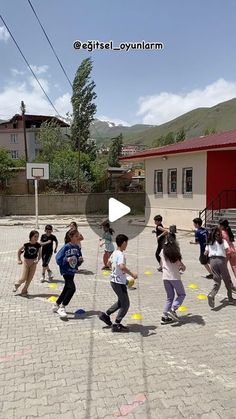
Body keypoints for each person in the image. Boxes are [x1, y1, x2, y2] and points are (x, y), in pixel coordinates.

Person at [99, 234, 137, 332]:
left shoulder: (114, 253)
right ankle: (117, 324)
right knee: (126, 304)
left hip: (113, 281)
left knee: (121, 302)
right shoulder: (120, 254)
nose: (127, 245)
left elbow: (108, 263)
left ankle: (105, 315)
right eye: (126, 243)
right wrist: (132, 274)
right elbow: (122, 266)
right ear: (124, 243)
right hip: (119, 283)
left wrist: (114, 270)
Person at [54, 229, 83, 319]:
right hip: (66, 270)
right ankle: (62, 307)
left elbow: (77, 259)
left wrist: (80, 261)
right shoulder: (66, 247)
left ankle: (56, 304)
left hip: (72, 271)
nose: (78, 238)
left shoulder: (77, 248)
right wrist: (66, 259)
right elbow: (58, 258)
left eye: (78, 236)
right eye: (76, 236)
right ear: (71, 237)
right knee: (72, 288)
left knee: (67, 288)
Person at [160, 233, 186, 324]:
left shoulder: (162, 251)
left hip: (165, 277)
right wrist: (183, 267)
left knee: (169, 297)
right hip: (174, 277)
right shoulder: (175, 252)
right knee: (182, 294)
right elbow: (180, 265)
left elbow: (161, 263)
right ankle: (172, 309)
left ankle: (164, 317)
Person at [205, 226, 234, 308]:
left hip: (212, 261)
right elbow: (228, 250)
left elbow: (205, 253)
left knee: (217, 280)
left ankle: (212, 294)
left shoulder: (209, 241)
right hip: (221, 260)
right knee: (227, 279)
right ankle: (230, 299)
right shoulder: (223, 241)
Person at [13, 230, 41, 296]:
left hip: (33, 263)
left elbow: (40, 255)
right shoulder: (26, 245)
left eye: (37, 237)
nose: (36, 238)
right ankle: (17, 284)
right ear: (31, 236)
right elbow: (19, 251)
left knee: (29, 279)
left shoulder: (38, 245)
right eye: (35, 236)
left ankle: (24, 291)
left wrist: (38, 260)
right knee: (24, 278)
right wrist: (19, 259)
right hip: (26, 262)